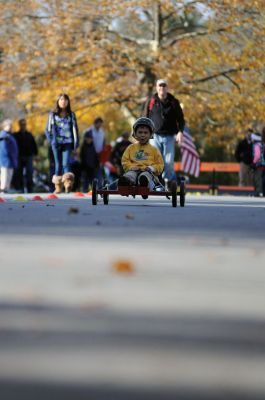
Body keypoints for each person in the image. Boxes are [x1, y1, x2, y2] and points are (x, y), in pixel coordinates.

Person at [143, 79, 185, 186]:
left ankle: (168, 181)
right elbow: (144, 117)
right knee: (156, 159)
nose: (162, 87)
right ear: (156, 88)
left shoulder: (173, 102)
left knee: (169, 161)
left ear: (167, 87)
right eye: (160, 86)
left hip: (169, 136)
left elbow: (180, 119)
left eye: (164, 85)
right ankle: (156, 181)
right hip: (154, 136)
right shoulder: (151, 101)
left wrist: (180, 132)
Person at [119, 117, 164, 198]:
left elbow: (160, 164)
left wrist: (152, 168)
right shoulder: (131, 148)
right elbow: (125, 161)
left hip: (148, 172)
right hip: (134, 170)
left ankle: (144, 185)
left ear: (150, 134)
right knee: (129, 176)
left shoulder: (154, 150)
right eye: (140, 132)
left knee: (144, 176)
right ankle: (125, 182)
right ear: (135, 134)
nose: (143, 135)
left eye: (145, 133)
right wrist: (131, 167)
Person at [45, 93, 79, 193]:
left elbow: (75, 129)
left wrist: (76, 143)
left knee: (66, 163)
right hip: (56, 143)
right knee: (58, 164)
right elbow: (47, 129)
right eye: (61, 100)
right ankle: (58, 186)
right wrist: (51, 140)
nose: (63, 102)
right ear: (58, 102)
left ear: (68, 102)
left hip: (68, 142)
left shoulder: (71, 114)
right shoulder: (52, 114)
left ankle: (68, 183)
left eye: (65, 100)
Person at [13, 118, 38, 193]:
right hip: (19, 156)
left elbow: (34, 145)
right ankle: (20, 189)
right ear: (19, 125)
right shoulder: (15, 135)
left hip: (28, 156)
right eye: (22, 124)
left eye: (24, 124)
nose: (23, 126)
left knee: (29, 173)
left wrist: (36, 154)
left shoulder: (29, 135)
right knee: (19, 173)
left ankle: (30, 189)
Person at [84, 117, 105, 186]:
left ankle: (99, 186)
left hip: (99, 154)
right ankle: (86, 186)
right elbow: (86, 143)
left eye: (101, 124)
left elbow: (103, 142)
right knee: (89, 172)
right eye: (99, 124)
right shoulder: (89, 131)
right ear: (95, 123)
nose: (100, 126)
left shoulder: (102, 131)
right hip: (90, 155)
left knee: (98, 171)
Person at [0, 119, 18, 193]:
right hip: (6, 158)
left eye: (11, 126)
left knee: (10, 174)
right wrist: (8, 155)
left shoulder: (10, 135)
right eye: (9, 125)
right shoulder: (4, 135)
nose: (10, 127)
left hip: (11, 158)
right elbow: (4, 147)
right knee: (5, 174)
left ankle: (6, 188)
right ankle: (3, 189)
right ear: (5, 126)